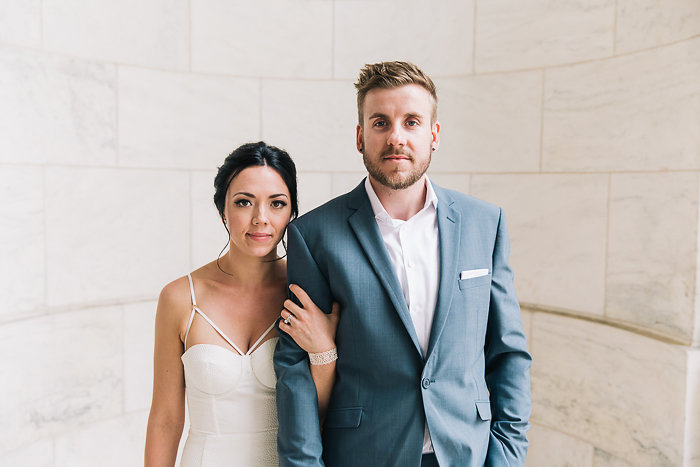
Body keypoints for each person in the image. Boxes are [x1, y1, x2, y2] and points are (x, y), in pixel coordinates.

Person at [274, 61, 532, 466]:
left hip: (467, 453)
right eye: (381, 122)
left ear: (434, 135)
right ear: (360, 137)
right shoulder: (314, 235)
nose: (396, 137)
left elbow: (508, 353)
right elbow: (294, 369)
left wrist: (507, 457)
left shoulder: (484, 223)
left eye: (411, 122)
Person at [145, 142, 339, 467]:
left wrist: (323, 351)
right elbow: (165, 419)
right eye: (244, 202)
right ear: (223, 209)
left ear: (292, 212)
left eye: (276, 203)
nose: (260, 218)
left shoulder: (308, 296)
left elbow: (323, 416)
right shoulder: (180, 298)